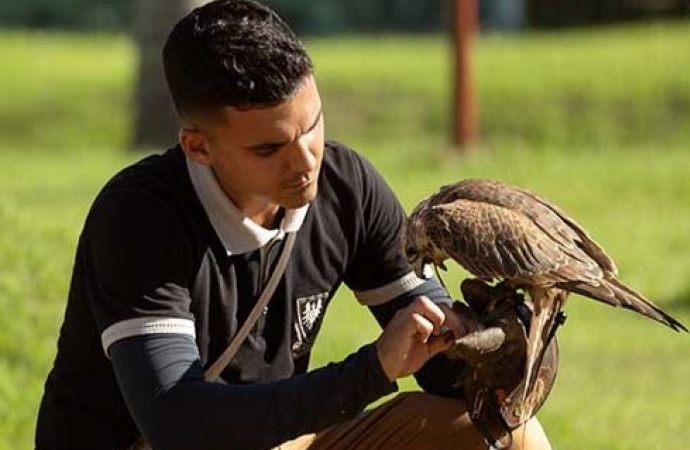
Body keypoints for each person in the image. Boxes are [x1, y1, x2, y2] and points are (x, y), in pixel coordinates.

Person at [35, 1, 552, 449]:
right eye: (269, 148)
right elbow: (180, 424)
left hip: (275, 441)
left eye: (312, 125)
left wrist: (501, 346)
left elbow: (441, 367)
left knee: (507, 435)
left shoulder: (345, 185)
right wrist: (371, 369)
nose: (305, 161)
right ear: (199, 147)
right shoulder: (139, 218)